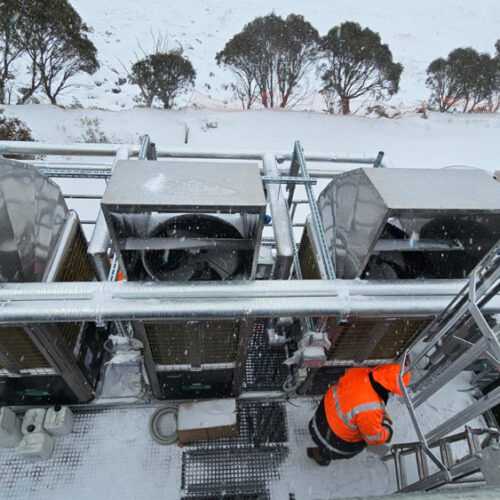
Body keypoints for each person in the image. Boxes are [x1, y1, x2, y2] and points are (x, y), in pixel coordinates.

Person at [307, 363, 410, 466]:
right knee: (361, 442)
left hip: (319, 418)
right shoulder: (371, 408)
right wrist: (387, 432)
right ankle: (322, 455)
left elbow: (355, 400)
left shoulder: (361, 372)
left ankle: (324, 448)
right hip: (330, 437)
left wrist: (377, 413)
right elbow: (373, 438)